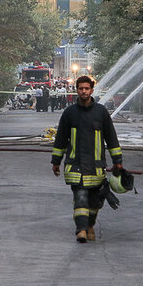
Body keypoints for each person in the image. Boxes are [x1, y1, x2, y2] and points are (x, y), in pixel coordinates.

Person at [51, 75, 123, 243]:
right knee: (80, 198)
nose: (83, 91)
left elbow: (111, 138)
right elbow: (61, 138)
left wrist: (117, 160)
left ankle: (90, 225)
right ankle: (81, 230)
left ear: (92, 90)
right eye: (80, 88)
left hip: (96, 167)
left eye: (86, 88)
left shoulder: (101, 112)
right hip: (76, 167)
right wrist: (56, 161)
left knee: (95, 202)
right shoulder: (70, 113)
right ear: (76, 90)